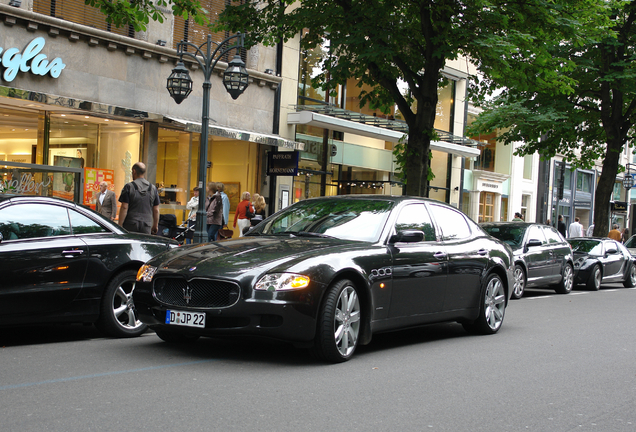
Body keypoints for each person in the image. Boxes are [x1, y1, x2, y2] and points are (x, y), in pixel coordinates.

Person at [118, 162, 160, 234]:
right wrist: (155, 225)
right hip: (146, 225)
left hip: (130, 224)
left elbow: (124, 207)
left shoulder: (129, 187)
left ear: (134, 171)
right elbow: (156, 210)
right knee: (144, 244)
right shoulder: (153, 188)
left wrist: (120, 225)